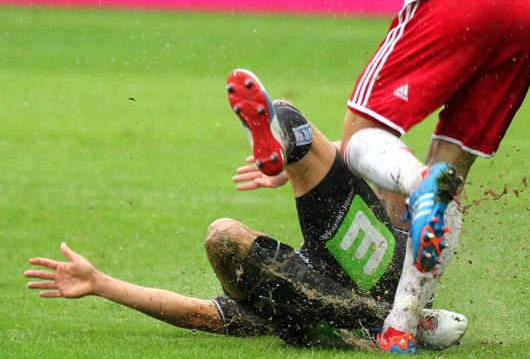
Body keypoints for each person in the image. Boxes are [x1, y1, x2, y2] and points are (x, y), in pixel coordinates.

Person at [25, 69, 468, 351]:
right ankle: (290, 147)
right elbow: (197, 312)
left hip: (325, 306)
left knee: (224, 234)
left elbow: (198, 313)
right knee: (366, 156)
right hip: (389, 275)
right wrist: (99, 283)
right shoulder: (378, 250)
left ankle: (288, 149)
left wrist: (102, 284)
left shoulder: (277, 309)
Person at [339, 0, 530, 353]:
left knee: (360, 136)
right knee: (451, 171)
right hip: (528, 7)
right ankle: (400, 325)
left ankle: (416, 181)